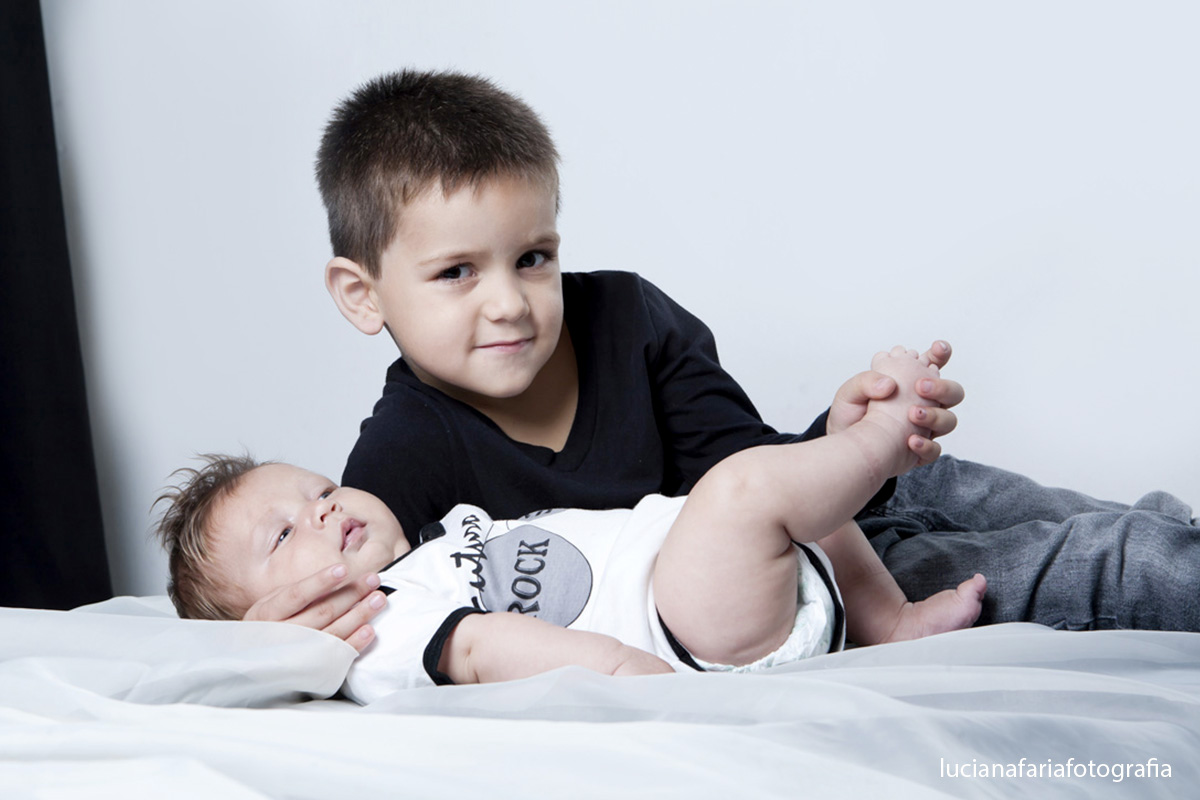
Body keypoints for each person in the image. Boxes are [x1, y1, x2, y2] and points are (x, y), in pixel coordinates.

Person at [250, 68, 1197, 643]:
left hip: (831, 500)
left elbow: (750, 462)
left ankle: (1158, 527)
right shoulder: (404, 453)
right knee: (1106, 562)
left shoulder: (626, 316)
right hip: (801, 586)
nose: (509, 301)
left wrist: (845, 436)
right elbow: (353, 592)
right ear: (363, 295)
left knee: (1034, 500)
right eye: (457, 272)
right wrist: (268, 636)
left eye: (532, 258)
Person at [155, 347, 986, 703]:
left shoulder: (435, 545)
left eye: (321, 490)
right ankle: (879, 442)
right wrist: (629, 678)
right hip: (675, 636)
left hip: (702, 578)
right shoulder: (382, 628)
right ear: (273, 620)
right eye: (284, 535)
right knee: (743, 492)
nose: (324, 510)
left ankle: (889, 620)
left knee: (770, 492)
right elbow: (485, 649)